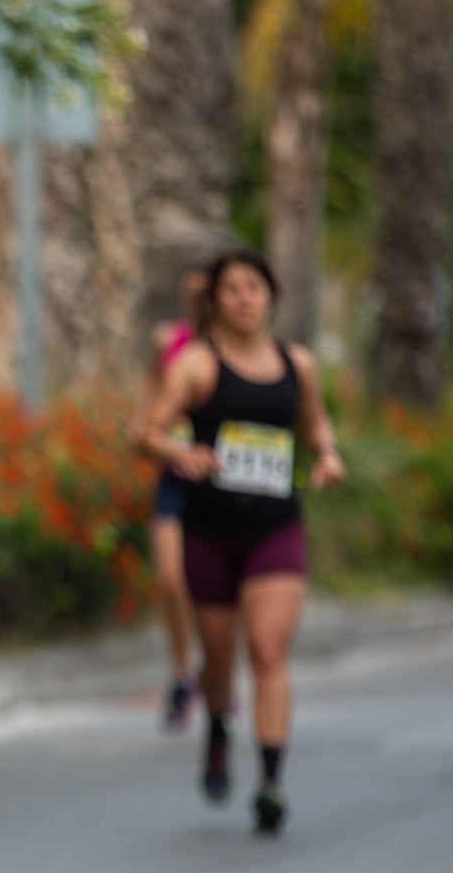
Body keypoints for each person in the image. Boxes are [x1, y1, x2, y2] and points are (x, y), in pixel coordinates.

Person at [138, 248, 345, 837]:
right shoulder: (197, 367)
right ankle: (218, 728)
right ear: (216, 301)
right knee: (221, 664)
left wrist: (328, 455)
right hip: (210, 531)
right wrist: (181, 452)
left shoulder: (297, 365)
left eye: (255, 287)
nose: (245, 298)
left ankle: (272, 782)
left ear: (272, 296)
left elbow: (316, 422)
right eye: (232, 289)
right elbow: (148, 432)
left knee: (269, 652)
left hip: (275, 530)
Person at [137, 263, 209, 732]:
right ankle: (183, 674)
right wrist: (150, 437)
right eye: (191, 295)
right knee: (170, 579)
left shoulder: (243, 355)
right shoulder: (170, 344)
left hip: (226, 486)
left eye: (207, 294)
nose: (198, 303)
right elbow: (147, 412)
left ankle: (217, 676)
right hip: (175, 477)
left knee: (218, 591)